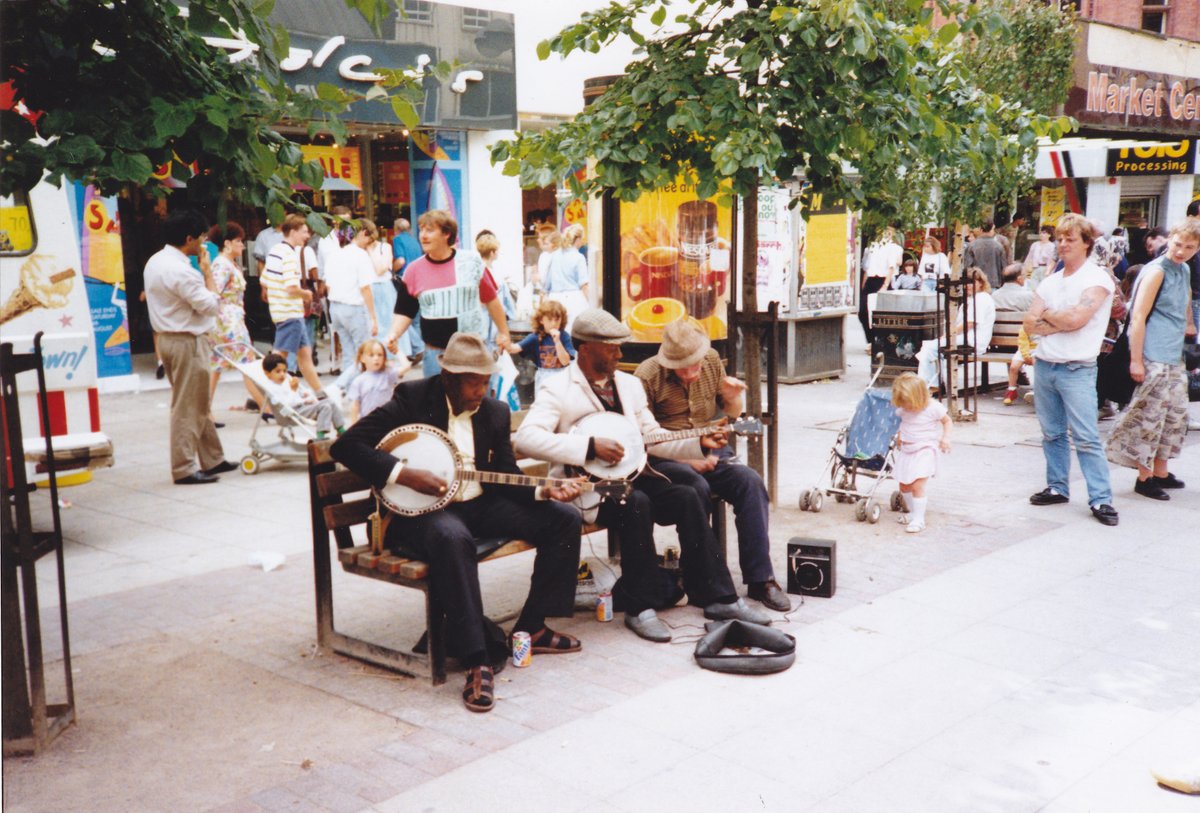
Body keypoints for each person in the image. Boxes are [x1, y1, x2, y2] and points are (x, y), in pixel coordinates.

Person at [331, 333, 584, 713]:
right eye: (473, 381)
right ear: (449, 376)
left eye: (486, 381)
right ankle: (477, 658)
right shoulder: (412, 397)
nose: (482, 390)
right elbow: (346, 446)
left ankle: (532, 625)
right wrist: (402, 473)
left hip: (478, 505)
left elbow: (505, 475)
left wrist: (543, 491)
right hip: (417, 513)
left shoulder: (495, 412)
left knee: (564, 519)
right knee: (453, 538)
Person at [514, 308, 770, 644]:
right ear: (586, 348)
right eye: (612, 348)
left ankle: (717, 597)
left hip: (633, 475)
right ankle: (640, 606)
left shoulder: (629, 385)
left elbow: (653, 436)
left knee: (689, 495)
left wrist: (696, 442)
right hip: (590, 486)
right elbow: (526, 438)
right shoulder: (558, 389)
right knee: (637, 503)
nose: (620, 354)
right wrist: (588, 447)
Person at [635, 320, 791, 612]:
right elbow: (646, 439)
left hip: (710, 448)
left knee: (750, 482)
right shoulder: (647, 376)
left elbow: (731, 413)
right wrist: (688, 456)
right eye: (684, 368)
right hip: (667, 458)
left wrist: (733, 399)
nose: (693, 373)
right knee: (696, 486)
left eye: (695, 365)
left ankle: (761, 579)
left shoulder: (710, 360)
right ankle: (700, 577)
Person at [1023, 213, 1119, 527]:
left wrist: (1048, 316)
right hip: (1045, 365)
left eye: (1070, 239)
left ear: (1087, 243)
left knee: (1087, 437)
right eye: (1060, 239)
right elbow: (1029, 324)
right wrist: (1060, 321)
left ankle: (1101, 498)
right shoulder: (1051, 280)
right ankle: (1057, 486)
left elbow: (1077, 320)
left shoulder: (1096, 279)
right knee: (1051, 434)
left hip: (1077, 368)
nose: (1063, 244)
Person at [1104, 219, 1200, 500]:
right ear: (1170, 239)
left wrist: (1188, 324)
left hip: (1172, 353)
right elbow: (1138, 316)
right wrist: (1136, 360)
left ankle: (1160, 470)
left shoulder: (1182, 269)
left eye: (1189, 247)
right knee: (1149, 417)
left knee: (1173, 416)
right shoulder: (1156, 270)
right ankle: (1144, 477)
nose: (1181, 251)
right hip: (1153, 353)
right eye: (1178, 244)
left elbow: (1185, 299)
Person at [143, 209, 236, 485]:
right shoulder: (183, 270)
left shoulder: (156, 261)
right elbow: (211, 305)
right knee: (189, 406)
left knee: (197, 400)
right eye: (202, 237)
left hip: (169, 339)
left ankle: (213, 457)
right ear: (188, 238)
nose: (204, 242)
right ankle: (183, 467)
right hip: (186, 341)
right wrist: (207, 272)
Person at [384, 210, 511, 378]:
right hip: (435, 355)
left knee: (474, 402)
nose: (423, 236)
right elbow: (405, 310)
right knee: (437, 403)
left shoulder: (472, 261)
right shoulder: (414, 270)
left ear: (446, 234)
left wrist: (503, 332)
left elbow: (491, 300)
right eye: (421, 230)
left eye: (429, 230)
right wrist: (394, 334)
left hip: (472, 351)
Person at [261, 214, 325, 395]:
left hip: (282, 312)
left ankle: (320, 393)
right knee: (278, 359)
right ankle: (265, 395)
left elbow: (264, 280)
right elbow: (291, 287)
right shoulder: (289, 255)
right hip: (290, 314)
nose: (307, 236)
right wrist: (306, 294)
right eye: (304, 232)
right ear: (294, 231)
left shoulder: (275, 250)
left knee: (304, 357)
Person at [204, 222, 262, 413]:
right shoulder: (222, 264)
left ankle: (205, 410)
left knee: (217, 365)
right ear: (227, 243)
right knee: (247, 362)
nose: (242, 245)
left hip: (227, 319)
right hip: (228, 321)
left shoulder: (228, 264)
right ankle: (265, 407)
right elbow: (214, 292)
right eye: (238, 241)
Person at [915, 267, 996, 390]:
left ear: (980, 283)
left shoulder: (982, 299)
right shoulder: (971, 299)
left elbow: (970, 323)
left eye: (972, 282)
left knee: (930, 348)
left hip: (973, 340)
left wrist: (949, 335)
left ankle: (931, 385)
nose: (968, 286)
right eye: (966, 283)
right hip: (965, 338)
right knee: (931, 348)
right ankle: (932, 383)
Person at [890, 372, 952, 534]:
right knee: (904, 485)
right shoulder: (904, 409)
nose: (906, 407)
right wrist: (899, 435)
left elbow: (947, 421)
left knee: (917, 485)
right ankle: (912, 513)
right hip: (907, 450)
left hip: (925, 449)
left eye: (908, 403)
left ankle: (919, 519)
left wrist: (945, 438)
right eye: (903, 404)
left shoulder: (933, 407)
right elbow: (904, 423)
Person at [325, 221, 379, 392]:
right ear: (363, 233)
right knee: (363, 353)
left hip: (335, 306)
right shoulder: (360, 256)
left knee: (349, 353)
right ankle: (339, 386)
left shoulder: (334, 255)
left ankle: (350, 390)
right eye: (370, 239)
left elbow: (328, 284)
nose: (369, 244)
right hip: (354, 307)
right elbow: (365, 288)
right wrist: (373, 316)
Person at [260, 352, 346, 439]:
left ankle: (340, 429)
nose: (282, 374)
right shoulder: (271, 389)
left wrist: (303, 395)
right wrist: (295, 392)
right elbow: (286, 405)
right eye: (278, 371)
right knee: (325, 406)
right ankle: (320, 435)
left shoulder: (284, 382)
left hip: (301, 407)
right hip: (291, 412)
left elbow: (296, 396)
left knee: (330, 402)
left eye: (284, 371)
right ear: (267, 373)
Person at [510, 299, 574, 390]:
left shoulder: (564, 336)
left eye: (557, 320)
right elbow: (516, 348)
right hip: (544, 377)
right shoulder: (536, 336)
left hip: (562, 376)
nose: (554, 324)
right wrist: (505, 343)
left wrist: (557, 342)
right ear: (541, 320)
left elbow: (565, 361)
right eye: (549, 320)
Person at [345, 339, 410, 424]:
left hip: (388, 419)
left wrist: (397, 351)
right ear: (362, 358)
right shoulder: (358, 381)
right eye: (371, 355)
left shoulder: (388, 375)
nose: (376, 358)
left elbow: (406, 366)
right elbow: (355, 406)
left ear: (384, 358)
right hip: (367, 421)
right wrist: (353, 426)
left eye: (380, 355)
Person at [541, 228, 590, 332]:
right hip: (574, 299)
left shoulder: (554, 255)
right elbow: (584, 285)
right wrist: (591, 303)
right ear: (578, 239)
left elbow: (546, 284)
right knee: (573, 334)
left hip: (555, 298)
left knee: (556, 333)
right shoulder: (579, 257)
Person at [858, 227, 902, 343]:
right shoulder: (871, 247)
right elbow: (867, 268)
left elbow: (891, 267)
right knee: (863, 311)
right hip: (871, 280)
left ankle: (881, 340)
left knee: (882, 313)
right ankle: (871, 340)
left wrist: (885, 285)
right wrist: (864, 285)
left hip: (883, 280)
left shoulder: (892, 248)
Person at [961, 219, 1007, 290]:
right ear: (992, 227)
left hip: (978, 285)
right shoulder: (999, 246)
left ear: (980, 228)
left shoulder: (972, 246)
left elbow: (968, 268)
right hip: (994, 284)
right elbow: (1004, 268)